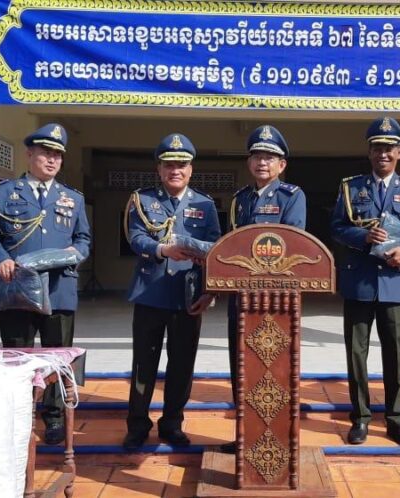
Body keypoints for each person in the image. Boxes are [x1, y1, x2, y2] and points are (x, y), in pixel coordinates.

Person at [0, 122, 91, 445]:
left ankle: (54, 417)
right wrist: (1, 260)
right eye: (45, 153)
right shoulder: (3, 194)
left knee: (58, 357)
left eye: (58, 155)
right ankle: (19, 413)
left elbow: (83, 240)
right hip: (17, 289)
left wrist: (75, 254)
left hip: (58, 289)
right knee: (17, 355)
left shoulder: (73, 199)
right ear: (29, 154)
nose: (52, 160)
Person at [330, 117, 400, 446]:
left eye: (389, 148)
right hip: (359, 282)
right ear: (370, 152)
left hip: (396, 281)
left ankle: (395, 419)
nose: (383, 154)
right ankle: (360, 418)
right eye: (377, 148)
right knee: (356, 354)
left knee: (394, 354)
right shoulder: (351, 187)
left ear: (399, 152)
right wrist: (363, 236)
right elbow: (336, 227)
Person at [122, 133, 222, 451]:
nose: (175, 170)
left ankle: (172, 423)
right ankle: (138, 425)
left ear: (190, 169)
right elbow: (135, 237)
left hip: (187, 297)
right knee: (144, 364)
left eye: (181, 165)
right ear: (159, 169)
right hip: (150, 293)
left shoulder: (205, 204)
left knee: (182, 364)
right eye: (169, 165)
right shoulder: (142, 200)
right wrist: (163, 250)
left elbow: (216, 251)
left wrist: (209, 292)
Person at [221, 125, 306, 453]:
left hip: (275, 299)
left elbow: (291, 243)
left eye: (270, 157)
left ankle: (276, 437)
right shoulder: (239, 199)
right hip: (242, 297)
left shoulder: (292, 196)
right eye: (257, 156)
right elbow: (231, 244)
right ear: (249, 162)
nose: (262, 162)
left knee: (273, 368)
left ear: (281, 165)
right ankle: (244, 436)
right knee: (242, 366)